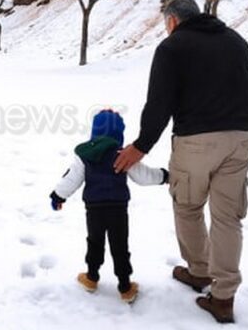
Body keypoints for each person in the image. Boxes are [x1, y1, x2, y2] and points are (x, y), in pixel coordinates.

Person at [114, 0, 248, 323]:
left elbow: (159, 104)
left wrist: (140, 147)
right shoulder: (236, 41)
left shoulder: (172, 48)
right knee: (228, 218)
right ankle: (223, 298)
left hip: (196, 141)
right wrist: (244, 132)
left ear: (172, 21)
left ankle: (199, 271)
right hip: (242, 139)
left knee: (187, 204)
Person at [50, 109, 169, 304]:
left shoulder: (85, 155)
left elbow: (71, 179)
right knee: (120, 246)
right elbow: (144, 176)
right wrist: (164, 176)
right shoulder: (122, 155)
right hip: (117, 210)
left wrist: (58, 196)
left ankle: (91, 277)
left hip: (94, 210)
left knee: (95, 242)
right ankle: (125, 287)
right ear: (119, 134)